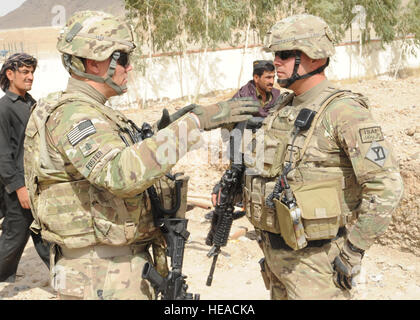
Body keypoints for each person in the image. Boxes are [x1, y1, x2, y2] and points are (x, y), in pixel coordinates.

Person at [23, 10, 259, 300]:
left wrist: (168, 126)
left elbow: (121, 150)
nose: (129, 67)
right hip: (103, 273)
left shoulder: (94, 111)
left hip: (112, 266)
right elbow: (120, 173)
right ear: (95, 61)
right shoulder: (74, 115)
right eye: (122, 58)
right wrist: (192, 126)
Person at [231, 14, 403, 299]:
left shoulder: (344, 110)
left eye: (285, 54)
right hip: (276, 257)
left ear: (315, 57)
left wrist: (353, 250)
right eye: (276, 54)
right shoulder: (283, 106)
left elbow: (387, 187)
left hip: (317, 263)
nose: (276, 62)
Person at [0, 53, 50, 283]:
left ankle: (65, 279)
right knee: (14, 237)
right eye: (25, 72)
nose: (30, 77)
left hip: (37, 182)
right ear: (10, 75)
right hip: (18, 188)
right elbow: (3, 154)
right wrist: (19, 187)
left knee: (46, 236)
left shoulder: (30, 103)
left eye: (32, 73)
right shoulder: (4, 108)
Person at [210, 60, 282, 207]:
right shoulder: (242, 96)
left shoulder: (276, 95)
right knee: (237, 172)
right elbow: (227, 121)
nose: (272, 82)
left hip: (265, 142)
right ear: (256, 78)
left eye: (273, 77)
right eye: (268, 78)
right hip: (240, 140)